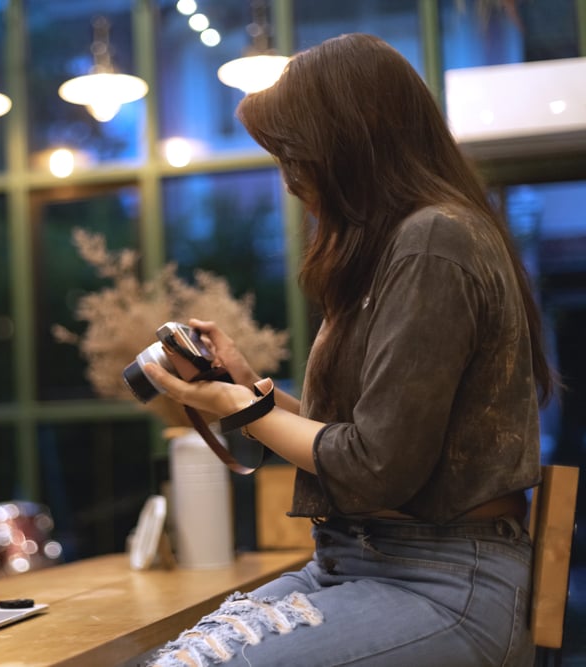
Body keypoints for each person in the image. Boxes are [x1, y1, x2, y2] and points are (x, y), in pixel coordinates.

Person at [143, 33, 555, 667]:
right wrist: (251, 387)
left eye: (296, 157)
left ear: (349, 145)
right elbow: (367, 439)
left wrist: (246, 410)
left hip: (445, 584)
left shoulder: (432, 242)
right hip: (358, 564)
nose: (289, 180)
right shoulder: (402, 245)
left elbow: (375, 467)